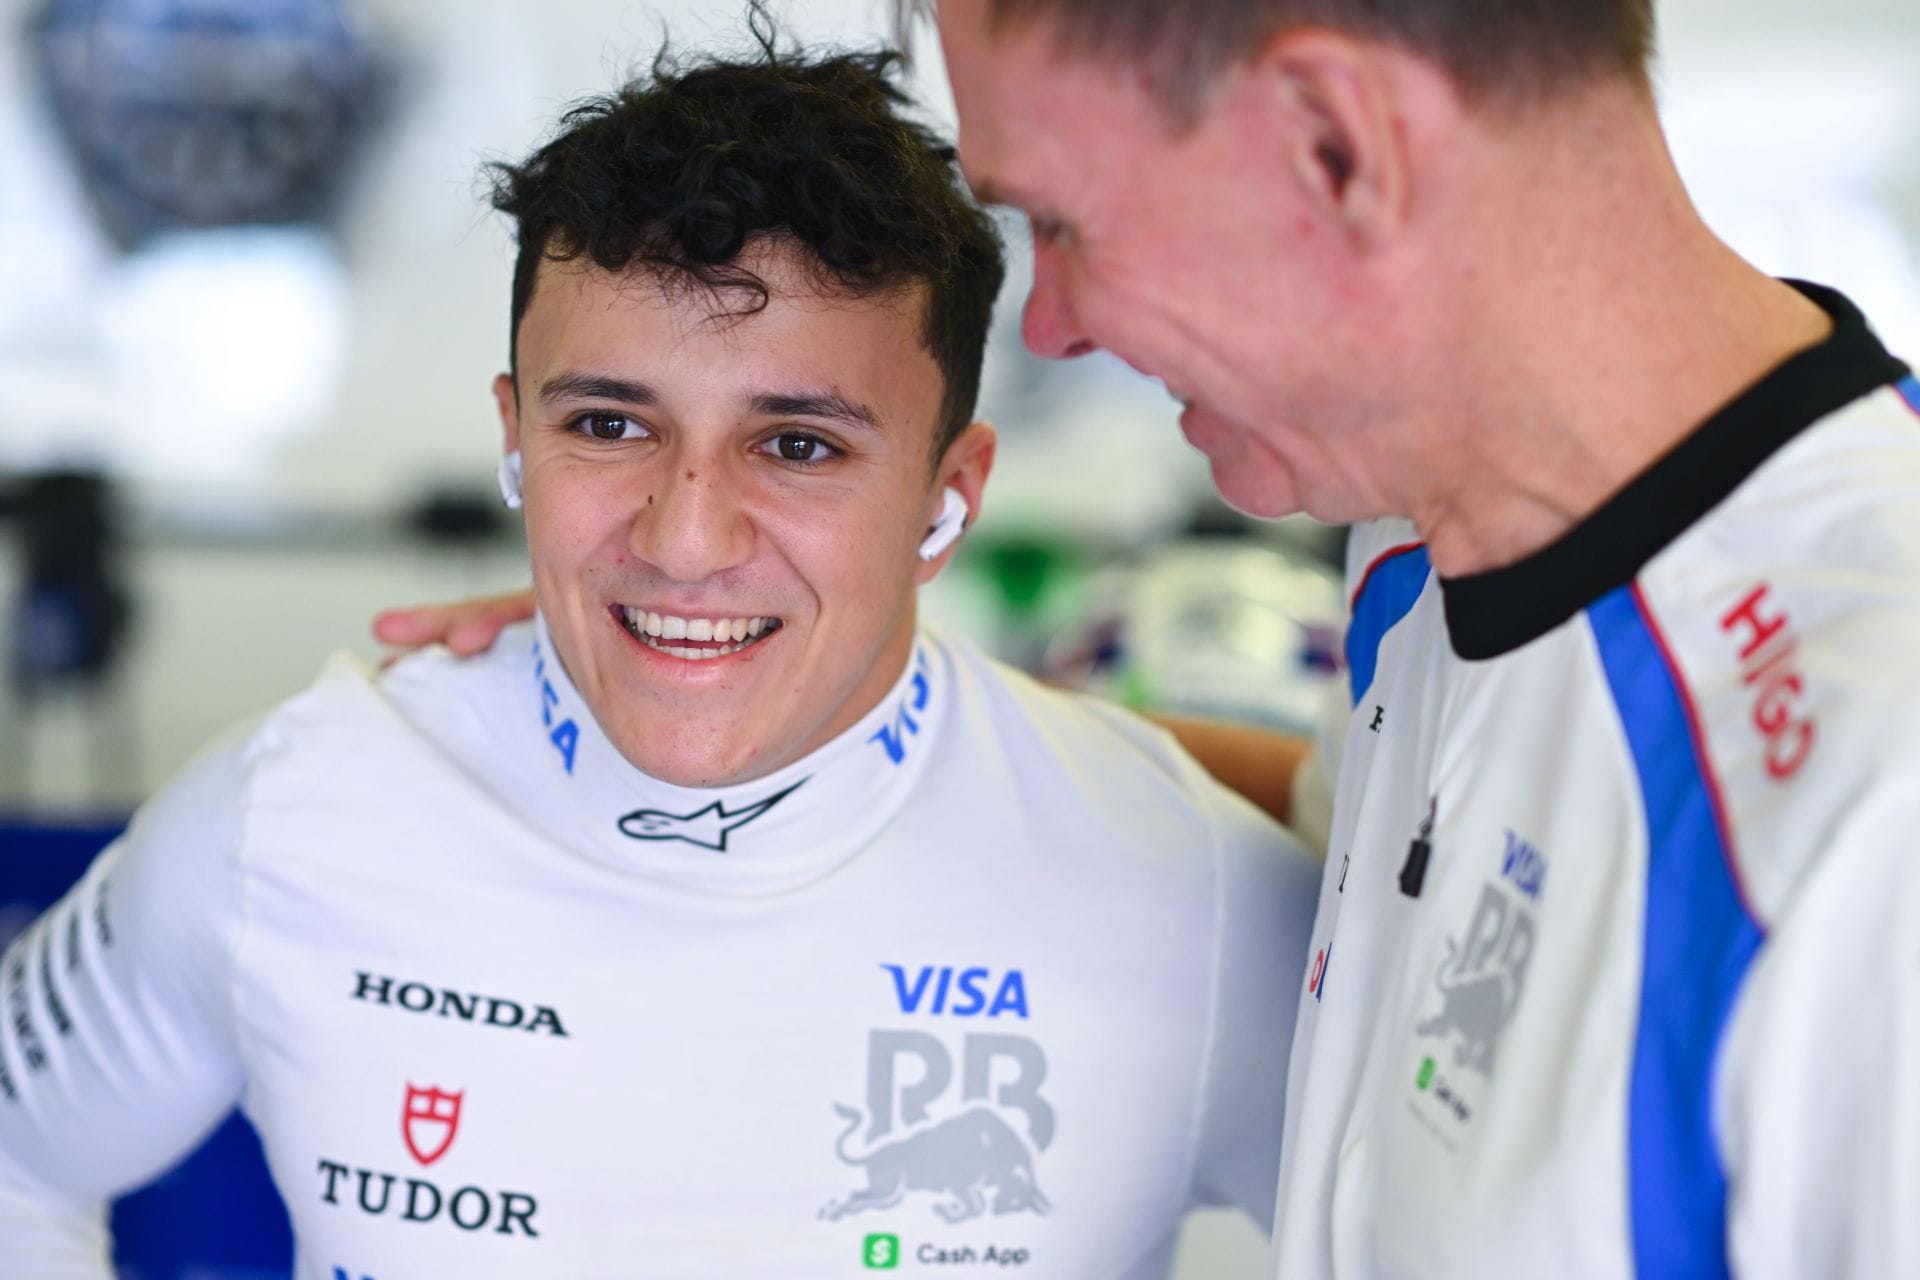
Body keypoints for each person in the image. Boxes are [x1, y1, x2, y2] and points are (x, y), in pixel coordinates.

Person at [397, 0, 1920, 1274]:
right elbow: (1385, 864)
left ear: (1336, 141)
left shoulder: (1869, 810)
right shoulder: (1427, 544)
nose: (1051, 322)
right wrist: (748, 662)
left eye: (1065, 219)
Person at [0, 30, 1322, 1280]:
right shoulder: (300, 802)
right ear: (516, 438)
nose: (686, 540)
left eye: (798, 445)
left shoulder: (1191, 888)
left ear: (948, 492)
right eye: (610, 428)